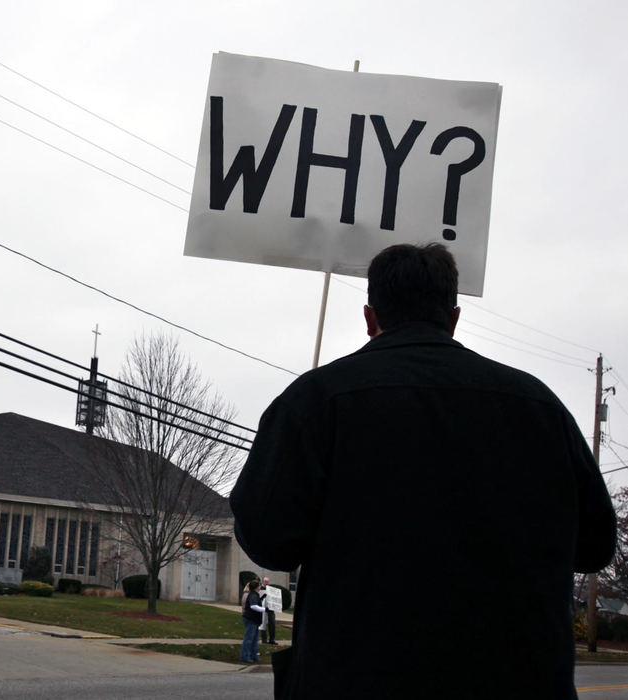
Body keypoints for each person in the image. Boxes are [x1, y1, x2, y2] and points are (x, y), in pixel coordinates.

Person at [230, 243, 617, 699]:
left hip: (354, 678)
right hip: (520, 680)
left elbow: (268, 541)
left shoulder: (315, 401)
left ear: (370, 318)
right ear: (453, 319)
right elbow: (596, 546)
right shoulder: (541, 407)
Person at [240, 579, 265, 663]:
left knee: (254, 639)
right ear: (256, 587)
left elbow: (256, 603)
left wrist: (262, 598)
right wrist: (265, 609)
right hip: (251, 619)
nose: (260, 587)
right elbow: (253, 606)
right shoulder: (253, 595)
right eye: (259, 585)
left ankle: (253, 656)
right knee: (249, 639)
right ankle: (245, 656)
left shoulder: (254, 595)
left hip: (254, 620)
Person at [261, 576, 277, 645]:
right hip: (263, 608)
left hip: (271, 609)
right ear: (263, 582)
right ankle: (264, 639)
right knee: (263, 623)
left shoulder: (271, 589)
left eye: (268, 582)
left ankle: (272, 639)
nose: (267, 583)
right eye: (265, 582)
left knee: (272, 624)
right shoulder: (260, 588)